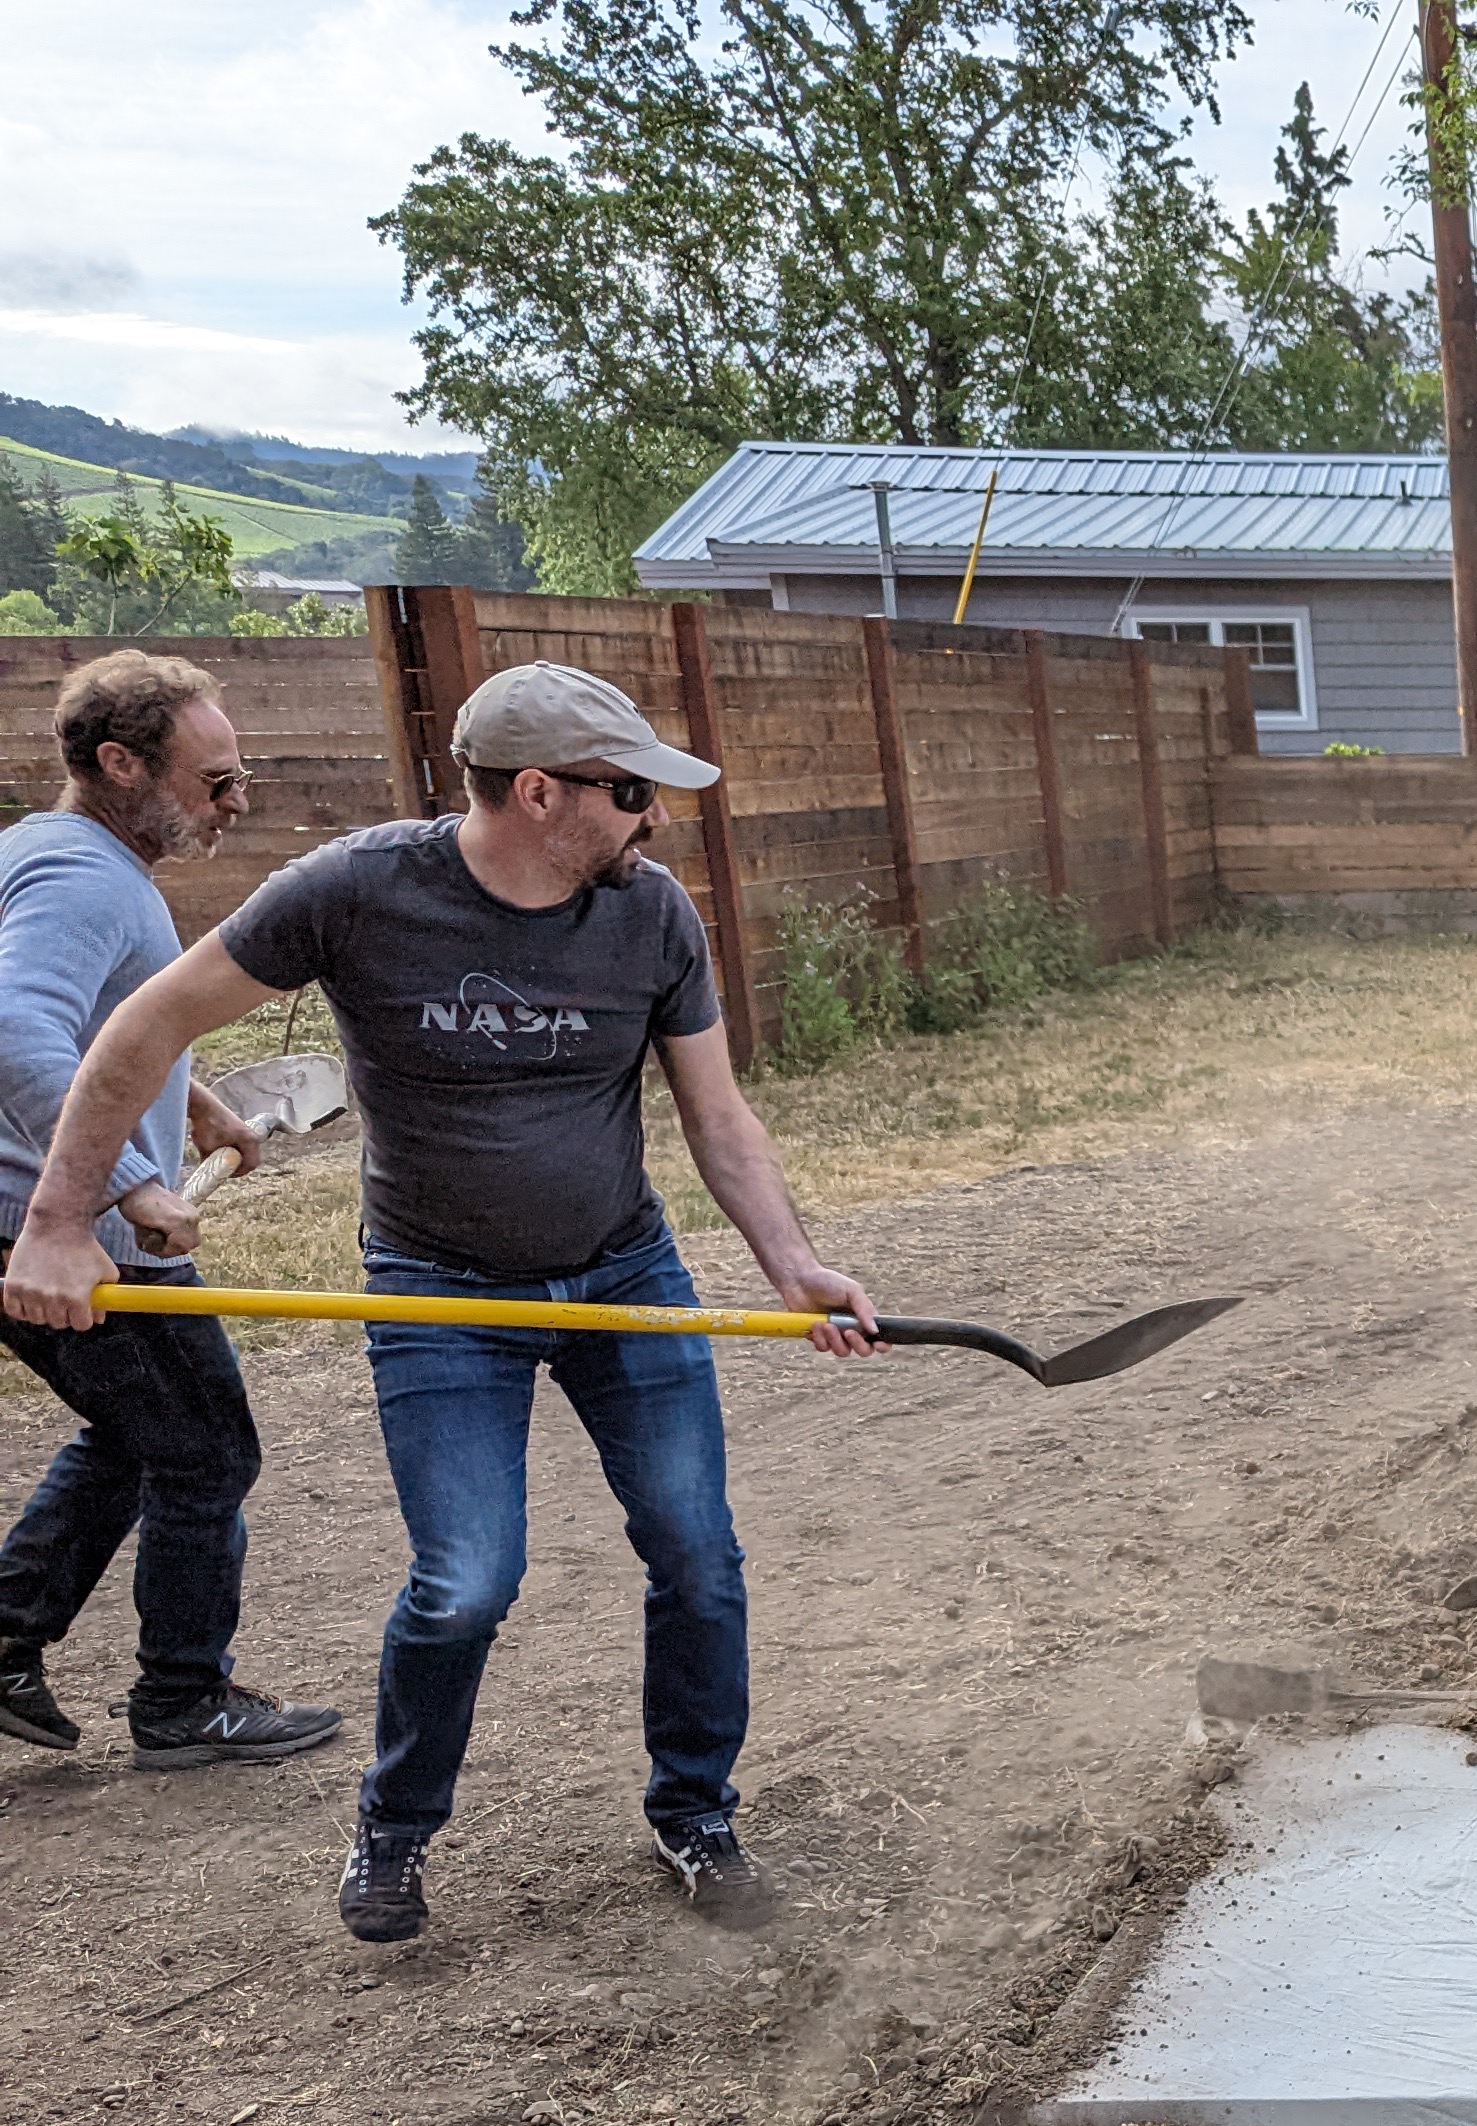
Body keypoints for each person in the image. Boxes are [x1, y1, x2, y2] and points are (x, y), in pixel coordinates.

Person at [1, 661, 878, 1943]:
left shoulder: (651, 915)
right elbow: (141, 1027)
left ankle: (696, 1811)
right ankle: (396, 1828)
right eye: (630, 792)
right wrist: (59, 1219)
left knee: (698, 1555)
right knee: (466, 1580)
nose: (652, 817)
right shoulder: (354, 891)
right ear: (539, 793)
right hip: (439, 1290)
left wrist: (791, 1263)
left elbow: (719, 1114)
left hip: (622, 1272)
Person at [0, 651, 345, 1768]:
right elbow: (14, 1027)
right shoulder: (86, 879)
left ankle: (7, 1633)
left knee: (138, 1433)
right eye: (214, 781)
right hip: (65, 1232)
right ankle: (183, 1701)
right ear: (120, 764)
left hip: (43, 1218)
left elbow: (107, 1026)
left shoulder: (46, 854)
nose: (235, 803)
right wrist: (125, 1184)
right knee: (205, 1452)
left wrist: (193, 1104)